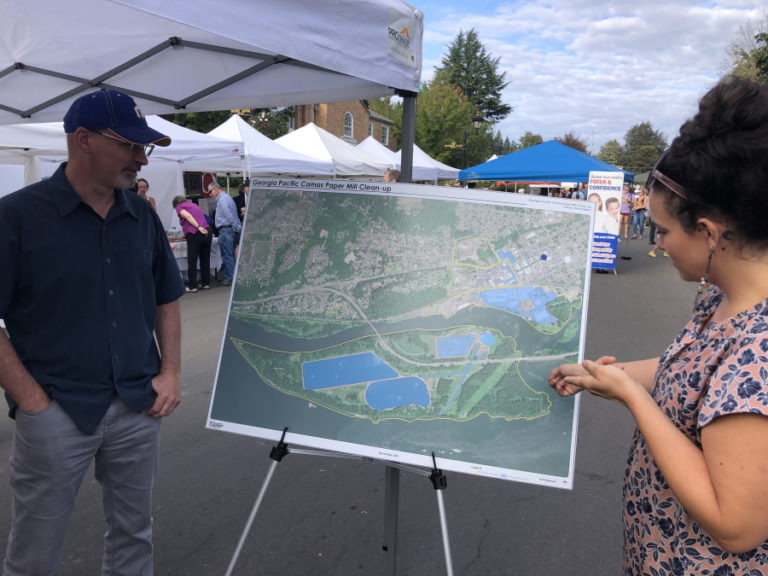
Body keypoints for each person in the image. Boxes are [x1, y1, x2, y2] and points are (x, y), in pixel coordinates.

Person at [548, 76, 768, 575]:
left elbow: (736, 525)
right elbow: (689, 372)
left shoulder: (760, 349)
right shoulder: (720, 295)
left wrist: (634, 399)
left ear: (710, 233)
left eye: (665, 231)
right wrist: (608, 375)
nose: (658, 245)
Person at [0, 89, 184, 575]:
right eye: (130, 146)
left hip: (138, 402)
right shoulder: (16, 217)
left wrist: (170, 372)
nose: (141, 159)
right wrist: (33, 402)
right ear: (83, 140)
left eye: (144, 148)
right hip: (56, 409)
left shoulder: (141, 215)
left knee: (133, 536)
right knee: (35, 550)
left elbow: (167, 296)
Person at [172, 195, 212, 292]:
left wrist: (198, 227)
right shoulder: (193, 205)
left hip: (195, 233)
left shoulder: (179, 207)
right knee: (205, 259)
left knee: (192, 260)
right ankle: (205, 283)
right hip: (208, 231)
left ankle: (193, 286)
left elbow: (188, 216)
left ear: (176, 204)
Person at [207, 181, 241, 287]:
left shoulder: (223, 199)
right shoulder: (225, 198)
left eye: (210, 191)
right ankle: (232, 277)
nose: (209, 194)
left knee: (227, 255)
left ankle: (230, 278)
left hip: (226, 230)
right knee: (229, 255)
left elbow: (229, 215)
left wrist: (235, 227)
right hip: (228, 229)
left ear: (216, 189)